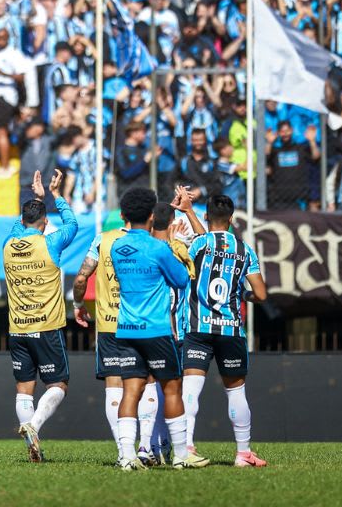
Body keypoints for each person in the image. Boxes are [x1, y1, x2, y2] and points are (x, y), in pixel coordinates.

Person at [109, 188, 198, 471]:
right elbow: (182, 280)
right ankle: (182, 456)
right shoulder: (158, 248)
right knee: (172, 389)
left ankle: (126, 455)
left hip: (125, 329)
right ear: (150, 216)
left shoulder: (115, 247)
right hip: (156, 330)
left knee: (130, 392)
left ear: (123, 216)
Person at [182, 195, 269, 468]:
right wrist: (241, 292)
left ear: (207, 217)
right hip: (231, 330)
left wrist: (187, 213)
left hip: (198, 328)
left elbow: (200, 244)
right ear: (232, 219)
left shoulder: (199, 243)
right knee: (236, 392)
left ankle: (186, 447)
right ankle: (243, 454)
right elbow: (261, 294)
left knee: (190, 391)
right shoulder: (245, 250)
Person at [2, 170, 77, 462]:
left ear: (21, 222)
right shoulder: (51, 242)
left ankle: (32, 450)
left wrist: (35, 198)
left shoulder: (9, 244)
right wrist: (55, 195)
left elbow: (18, 225)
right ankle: (32, 426)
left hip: (17, 329)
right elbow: (72, 224)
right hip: (46, 327)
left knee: (24, 390)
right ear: (45, 224)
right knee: (58, 385)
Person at [72, 219, 129, 457]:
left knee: (114, 385)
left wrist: (77, 304)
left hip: (109, 323)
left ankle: (123, 451)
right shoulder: (154, 239)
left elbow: (81, 278)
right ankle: (151, 446)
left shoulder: (102, 239)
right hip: (145, 324)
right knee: (148, 384)